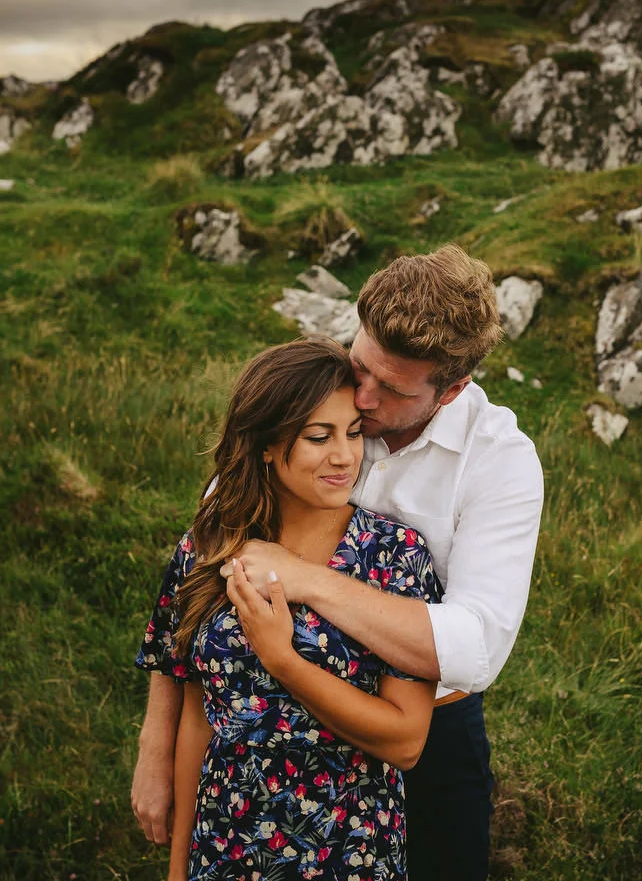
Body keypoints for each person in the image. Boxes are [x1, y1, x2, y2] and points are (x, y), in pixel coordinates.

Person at [135, 245, 544, 881]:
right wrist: (155, 747)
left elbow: (475, 647)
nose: (364, 398)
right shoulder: (318, 394)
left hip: (421, 730)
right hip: (244, 751)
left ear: (451, 390)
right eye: (361, 364)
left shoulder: (499, 462)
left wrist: (306, 584)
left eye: (393, 389)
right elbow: (195, 593)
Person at [136, 336, 444, 880]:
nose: (345, 456)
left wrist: (284, 662)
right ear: (266, 444)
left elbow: (405, 741)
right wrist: (180, 868)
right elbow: (199, 717)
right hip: (224, 847)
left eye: (354, 433)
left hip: (346, 851)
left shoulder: (394, 555)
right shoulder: (209, 547)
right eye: (319, 437)